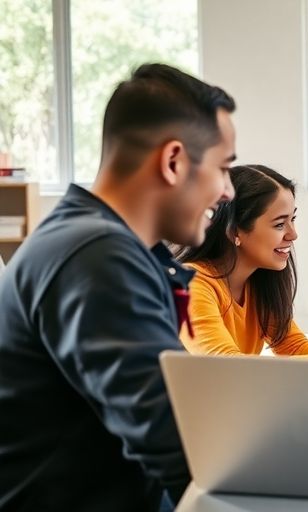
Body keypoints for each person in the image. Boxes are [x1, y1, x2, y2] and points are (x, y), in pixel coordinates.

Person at [0, 63, 236, 510]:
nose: (227, 192)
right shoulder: (95, 255)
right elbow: (180, 443)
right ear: (173, 162)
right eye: (223, 169)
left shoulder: (105, 245)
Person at [177, 165, 308, 358]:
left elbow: (293, 347)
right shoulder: (190, 285)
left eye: (292, 219)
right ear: (235, 231)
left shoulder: (259, 282)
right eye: (280, 224)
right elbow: (228, 367)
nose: (293, 234)